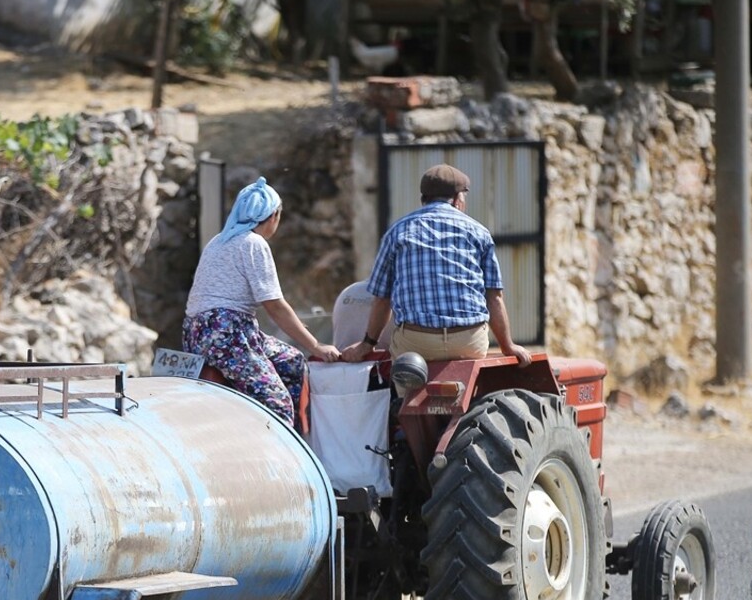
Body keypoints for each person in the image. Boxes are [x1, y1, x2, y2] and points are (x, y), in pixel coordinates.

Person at [340, 164, 532, 371]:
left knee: (400, 371)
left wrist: (367, 344)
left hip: (417, 343)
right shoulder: (479, 232)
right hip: (468, 342)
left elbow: (382, 299)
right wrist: (508, 346)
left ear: (423, 199)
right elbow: (494, 297)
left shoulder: (397, 231)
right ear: (458, 199)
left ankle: (404, 399)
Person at [183, 177, 341, 426]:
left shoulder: (218, 241)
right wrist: (316, 346)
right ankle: (282, 457)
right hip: (229, 336)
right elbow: (275, 306)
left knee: (291, 360)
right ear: (273, 216)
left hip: (199, 332)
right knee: (276, 401)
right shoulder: (253, 244)